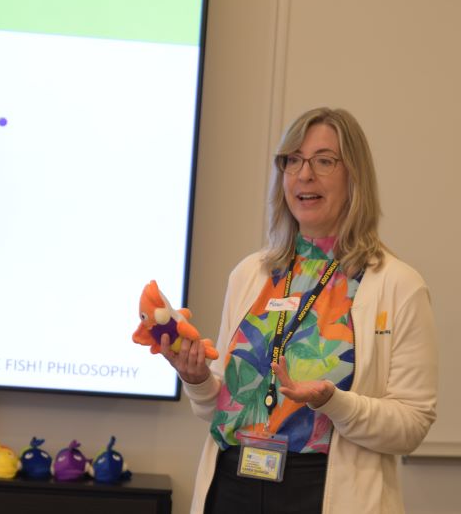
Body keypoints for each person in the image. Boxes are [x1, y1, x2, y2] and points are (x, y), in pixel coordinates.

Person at [161, 108, 438, 514]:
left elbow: (411, 426)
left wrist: (334, 402)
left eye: (324, 161)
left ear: (354, 175)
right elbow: (218, 407)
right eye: (292, 160)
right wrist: (198, 378)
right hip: (231, 485)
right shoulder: (251, 274)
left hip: (324, 492)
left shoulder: (398, 285)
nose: (304, 174)